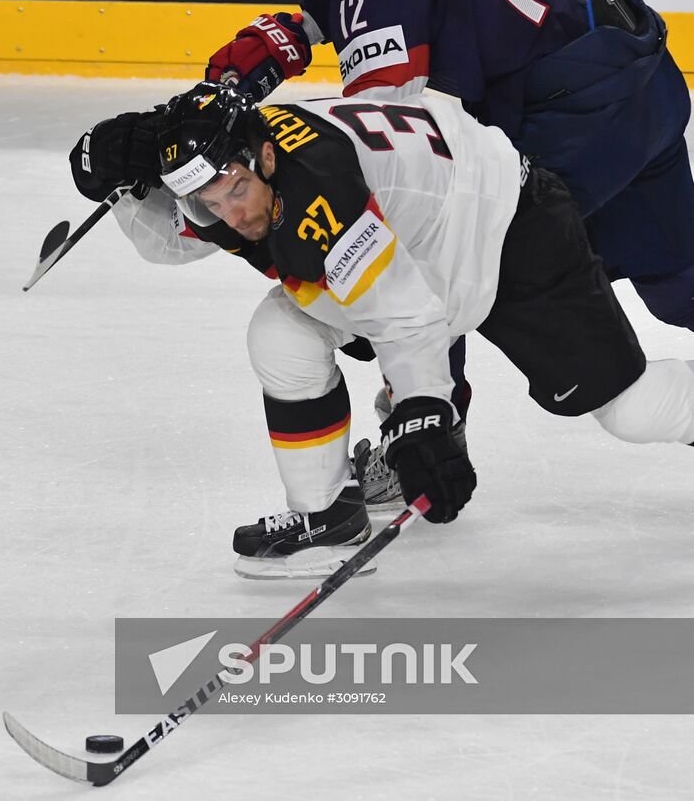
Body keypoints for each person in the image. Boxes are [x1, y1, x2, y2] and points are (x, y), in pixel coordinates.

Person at [68, 82, 694, 580]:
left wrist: (423, 416)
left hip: (508, 227)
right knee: (281, 333)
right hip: (422, 236)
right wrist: (124, 189)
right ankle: (327, 517)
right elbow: (179, 238)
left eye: (236, 191)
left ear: (262, 157)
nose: (232, 215)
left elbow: (405, 315)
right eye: (211, 202)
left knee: (630, 410)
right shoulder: (230, 171)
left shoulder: (317, 191)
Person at [204, 0, 694, 340]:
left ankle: (434, 415)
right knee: (680, 286)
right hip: (630, 67)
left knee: (435, 254)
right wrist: (288, 36)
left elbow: (399, 161)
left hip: (578, 121)